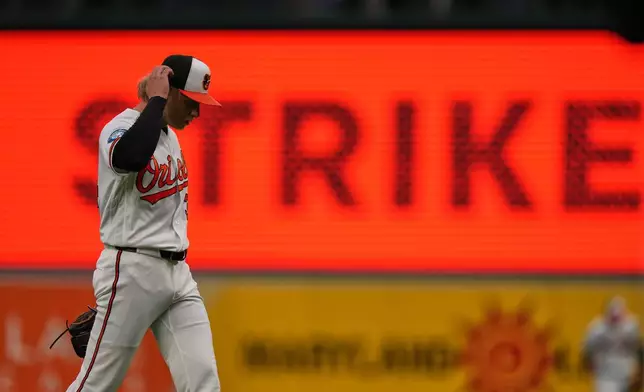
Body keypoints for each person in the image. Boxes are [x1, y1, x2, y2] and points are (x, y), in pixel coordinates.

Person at [65, 54, 222, 392]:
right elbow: (129, 157)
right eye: (193, 102)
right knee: (96, 385)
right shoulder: (119, 127)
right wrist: (156, 101)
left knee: (203, 381)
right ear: (172, 93)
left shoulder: (169, 136)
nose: (197, 112)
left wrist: (158, 107)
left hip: (177, 274)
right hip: (131, 269)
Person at [582, 296, 641, 392]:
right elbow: (587, 351)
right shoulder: (596, 329)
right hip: (605, 376)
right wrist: (589, 367)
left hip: (626, 374)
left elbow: (638, 350)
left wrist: (638, 375)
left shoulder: (631, 327)